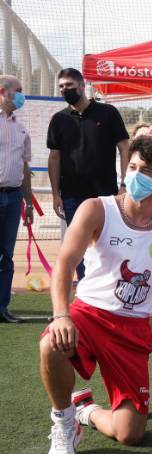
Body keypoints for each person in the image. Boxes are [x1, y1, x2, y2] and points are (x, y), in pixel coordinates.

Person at [39, 135, 152, 454]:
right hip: (89, 314)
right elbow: (65, 262)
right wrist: (61, 314)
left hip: (132, 329)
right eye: (132, 167)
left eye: (146, 170)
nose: (135, 175)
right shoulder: (97, 209)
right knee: (51, 343)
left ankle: (86, 410)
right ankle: (63, 424)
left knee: (130, 433)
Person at [47, 68, 130, 280]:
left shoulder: (108, 113)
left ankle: (108, 287)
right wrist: (56, 194)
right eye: (61, 87)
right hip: (72, 196)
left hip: (105, 195)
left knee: (107, 243)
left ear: (82, 86)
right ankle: (85, 290)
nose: (65, 90)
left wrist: (125, 185)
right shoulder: (59, 119)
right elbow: (54, 158)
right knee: (78, 248)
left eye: (69, 85)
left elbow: (124, 147)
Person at [0, 75, 33, 323]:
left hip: (13, 198)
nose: (22, 95)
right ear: (3, 91)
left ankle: (2, 307)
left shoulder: (21, 128)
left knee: (6, 255)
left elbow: (24, 167)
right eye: (18, 90)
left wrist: (28, 203)